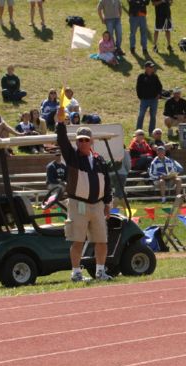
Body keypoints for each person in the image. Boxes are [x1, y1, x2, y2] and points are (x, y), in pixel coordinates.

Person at [56, 107, 112, 281]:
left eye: (85, 140)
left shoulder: (99, 159)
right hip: (78, 204)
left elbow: (107, 182)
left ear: (91, 141)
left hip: (98, 204)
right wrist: (60, 123)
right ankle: (76, 272)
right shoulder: (73, 157)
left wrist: (108, 203)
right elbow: (63, 141)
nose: (82, 143)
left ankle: (100, 271)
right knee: (78, 239)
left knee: (101, 240)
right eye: (79, 140)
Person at [136, 61, 162, 135]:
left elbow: (160, 86)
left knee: (153, 116)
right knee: (141, 115)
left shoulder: (155, 76)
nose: (152, 68)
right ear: (146, 68)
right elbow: (138, 87)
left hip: (154, 100)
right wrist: (140, 97)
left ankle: (151, 132)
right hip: (144, 100)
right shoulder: (141, 76)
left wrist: (158, 94)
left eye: (152, 67)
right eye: (151, 67)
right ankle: (138, 132)